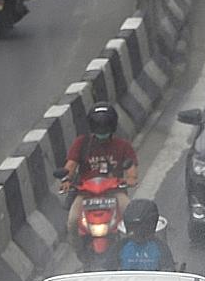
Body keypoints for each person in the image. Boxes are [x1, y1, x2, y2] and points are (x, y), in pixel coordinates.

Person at [59, 104, 138, 234]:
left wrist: (131, 179)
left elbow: (131, 168)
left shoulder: (123, 146)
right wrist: (66, 179)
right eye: (98, 127)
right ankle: (78, 251)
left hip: (114, 191)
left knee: (130, 217)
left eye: (105, 127)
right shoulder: (82, 143)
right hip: (85, 192)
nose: (102, 131)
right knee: (72, 221)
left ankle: (127, 246)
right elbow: (71, 165)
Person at [112, 199, 177, 271]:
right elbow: (106, 270)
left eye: (140, 229)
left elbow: (168, 271)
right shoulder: (120, 247)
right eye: (134, 229)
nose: (137, 233)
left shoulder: (160, 247)